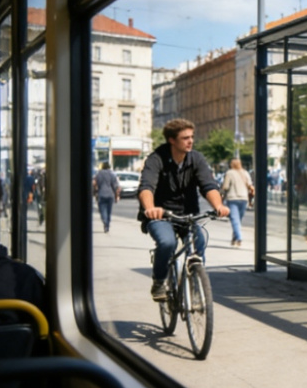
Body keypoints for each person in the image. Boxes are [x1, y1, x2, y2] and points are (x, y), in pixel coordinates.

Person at [137, 118, 229, 301]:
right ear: (172, 140)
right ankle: (159, 281)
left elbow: (208, 185)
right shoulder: (156, 159)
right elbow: (146, 187)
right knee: (167, 243)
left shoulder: (196, 158)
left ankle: (196, 282)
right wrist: (150, 209)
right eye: (185, 137)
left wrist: (218, 205)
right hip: (162, 215)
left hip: (188, 215)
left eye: (192, 137)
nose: (190, 141)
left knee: (199, 242)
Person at [221, 158, 252, 247]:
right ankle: (235, 238)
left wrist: (221, 194)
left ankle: (239, 238)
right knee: (238, 220)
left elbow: (225, 187)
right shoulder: (245, 173)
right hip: (244, 199)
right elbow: (250, 185)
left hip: (232, 198)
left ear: (232, 164)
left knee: (235, 220)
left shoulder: (229, 173)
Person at [93, 162, 120, 233]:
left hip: (101, 194)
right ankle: (107, 224)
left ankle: (104, 221)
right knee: (109, 211)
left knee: (102, 210)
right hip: (110, 194)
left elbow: (95, 185)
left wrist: (95, 192)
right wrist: (117, 196)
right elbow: (115, 186)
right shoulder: (112, 174)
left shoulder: (98, 174)